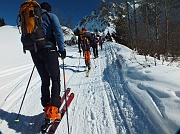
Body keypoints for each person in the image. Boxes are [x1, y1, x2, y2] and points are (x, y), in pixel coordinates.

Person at [30, 2, 66, 122]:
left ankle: (46, 105)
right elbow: (58, 32)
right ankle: (54, 110)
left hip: (35, 51)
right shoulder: (51, 16)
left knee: (45, 79)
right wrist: (62, 49)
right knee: (55, 78)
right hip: (49, 50)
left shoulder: (31, 17)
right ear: (49, 9)